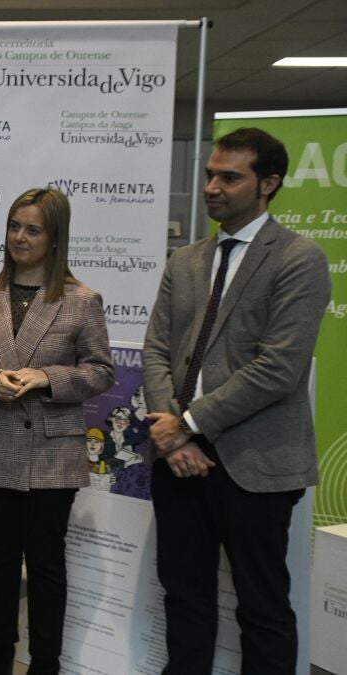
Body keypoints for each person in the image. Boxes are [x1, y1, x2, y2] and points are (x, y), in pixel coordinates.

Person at [142, 127, 331, 675]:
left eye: (229, 177)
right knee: (184, 597)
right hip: (178, 459)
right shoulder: (186, 260)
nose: (212, 188)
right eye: (209, 175)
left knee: (262, 607)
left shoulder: (299, 258)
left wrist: (187, 424)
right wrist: (172, 434)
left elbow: (278, 368)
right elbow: (157, 350)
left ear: (268, 183)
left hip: (256, 463)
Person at [0, 187, 113, 675]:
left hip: (51, 450)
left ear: (55, 237)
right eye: (14, 227)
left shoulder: (82, 300)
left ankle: (45, 662)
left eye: (33, 230)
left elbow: (101, 371)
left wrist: (47, 378)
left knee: (45, 564)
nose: (19, 237)